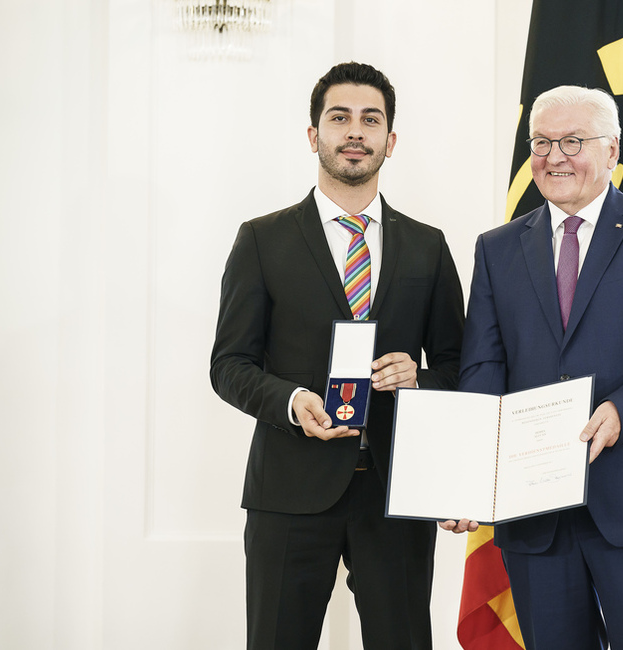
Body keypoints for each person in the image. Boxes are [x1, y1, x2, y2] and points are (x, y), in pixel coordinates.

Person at [440, 85, 623, 649]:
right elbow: (483, 369)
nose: (554, 156)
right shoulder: (496, 249)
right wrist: (468, 476)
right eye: (541, 143)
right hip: (535, 515)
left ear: (613, 150)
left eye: (573, 140)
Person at [211, 61, 465, 650]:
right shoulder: (262, 240)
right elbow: (229, 365)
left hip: (397, 494)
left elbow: (460, 366)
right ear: (314, 135)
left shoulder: (428, 246)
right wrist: (293, 400)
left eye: (370, 119)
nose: (356, 131)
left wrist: (420, 377)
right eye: (340, 117)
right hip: (289, 493)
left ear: (390, 141)